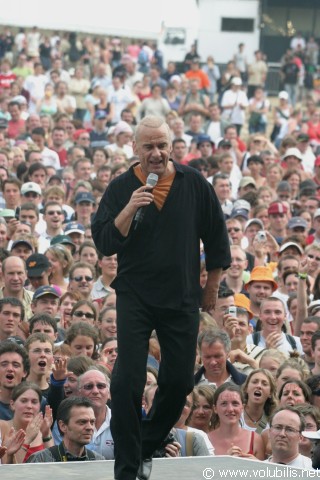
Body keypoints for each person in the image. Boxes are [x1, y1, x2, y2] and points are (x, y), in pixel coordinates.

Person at [91, 115, 231, 480]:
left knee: (179, 382)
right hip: (135, 294)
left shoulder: (194, 183)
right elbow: (105, 240)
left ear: (172, 145)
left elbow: (217, 238)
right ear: (134, 149)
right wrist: (130, 207)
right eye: (149, 146)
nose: (156, 153)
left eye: (162, 145)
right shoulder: (122, 187)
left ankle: (142, 446)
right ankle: (126, 469)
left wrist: (211, 288)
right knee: (126, 381)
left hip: (182, 296)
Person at [27, 396, 104, 462]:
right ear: (63, 426)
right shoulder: (41, 460)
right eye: (82, 422)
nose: (89, 427)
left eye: (92, 422)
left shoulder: (98, 461)